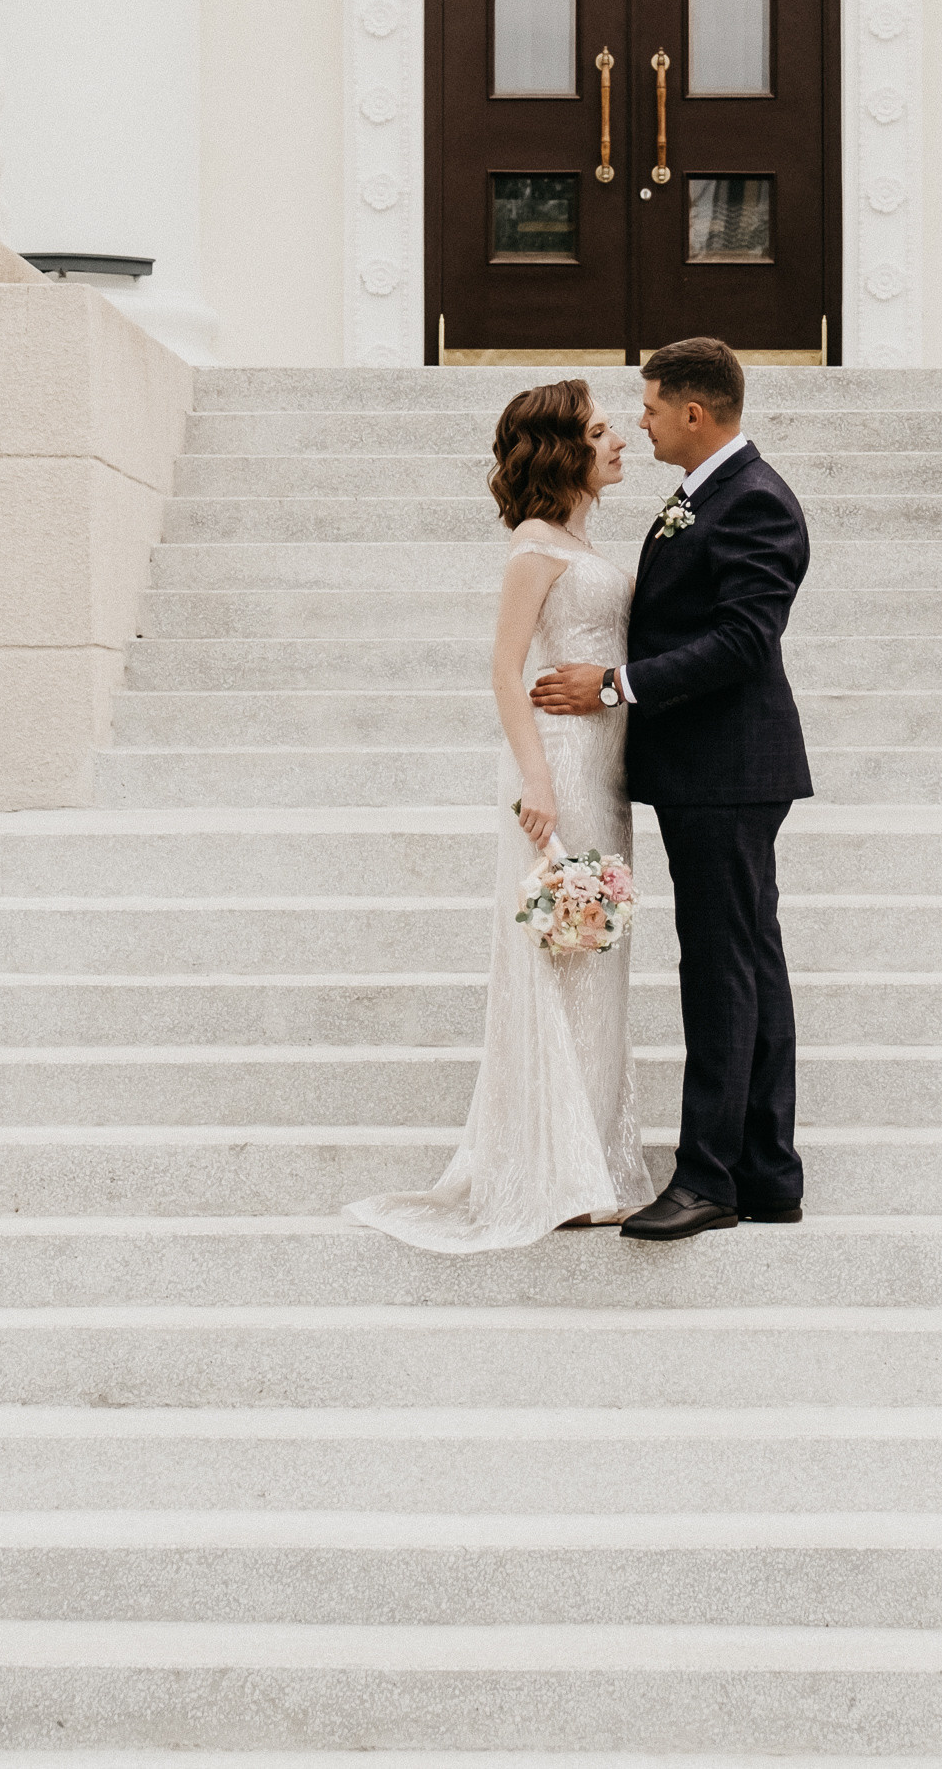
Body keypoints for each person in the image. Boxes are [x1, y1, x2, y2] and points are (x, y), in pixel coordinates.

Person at [347, 379, 651, 1252]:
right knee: (560, 954)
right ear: (566, 452)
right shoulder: (533, 548)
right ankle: (557, 1169)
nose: (620, 440)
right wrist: (535, 783)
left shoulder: (578, 539)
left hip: (604, 768)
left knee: (596, 956)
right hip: (559, 767)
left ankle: (591, 1154)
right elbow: (504, 668)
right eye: (601, 431)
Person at [534, 335, 812, 1241]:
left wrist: (615, 687)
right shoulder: (706, 494)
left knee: (721, 972)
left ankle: (708, 1182)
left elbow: (742, 642)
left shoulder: (757, 504)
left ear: (694, 413)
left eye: (650, 407)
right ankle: (765, 1172)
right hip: (710, 771)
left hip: (728, 771)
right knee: (748, 964)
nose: (640, 421)